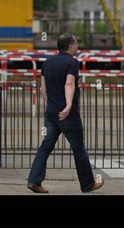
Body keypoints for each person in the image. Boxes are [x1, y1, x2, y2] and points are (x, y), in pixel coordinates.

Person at [27, 33, 104, 193]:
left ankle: (34, 180)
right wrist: (68, 105)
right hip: (68, 115)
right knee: (79, 149)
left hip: (51, 114)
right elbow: (69, 83)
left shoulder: (47, 63)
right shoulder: (72, 62)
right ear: (70, 46)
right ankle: (88, 184)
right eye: (76, 44)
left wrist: (49, 104)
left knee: (45, 146)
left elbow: (43, 87)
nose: (77, 47)